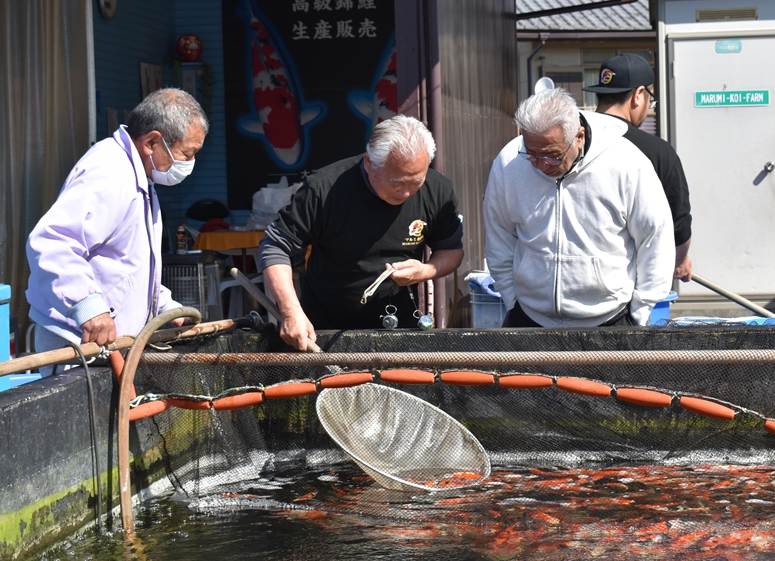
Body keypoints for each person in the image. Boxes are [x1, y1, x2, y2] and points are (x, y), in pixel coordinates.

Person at [26, 88, 208, 355]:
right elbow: (53, 242)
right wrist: (88, 307)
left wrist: (163, 306)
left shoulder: (139, 175)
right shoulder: (109, 172)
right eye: (187, 153)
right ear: (152, 143)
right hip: (77, 342)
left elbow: (125, 262)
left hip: (109, 343)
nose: (191, 162)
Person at [259, 115, 464, 350]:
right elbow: (276, 247)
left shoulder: (437, 190)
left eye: (416, 180)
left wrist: (425, 271)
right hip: (324, 330)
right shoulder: (324, 189)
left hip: (400, 327)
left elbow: (451, 249)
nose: (406, 192)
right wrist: (289, 311)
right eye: (396, 181)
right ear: (368, 162)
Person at [483, 88, 674, 327]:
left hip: (609, 319)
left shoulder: (627, 163)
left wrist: (640, 312)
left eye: (552, 155)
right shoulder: (509, 160)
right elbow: (499, 234)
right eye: (531, 154)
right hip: (529, 316)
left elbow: (655, 238)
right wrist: (511, 299)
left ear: (579, 136)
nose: (541, 165)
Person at [585, 53, 693, 282]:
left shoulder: (567, 142)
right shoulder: (658, 152)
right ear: (638, 95)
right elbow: (679, 225)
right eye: (650, 100)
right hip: (626, 286)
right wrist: (680, 260)